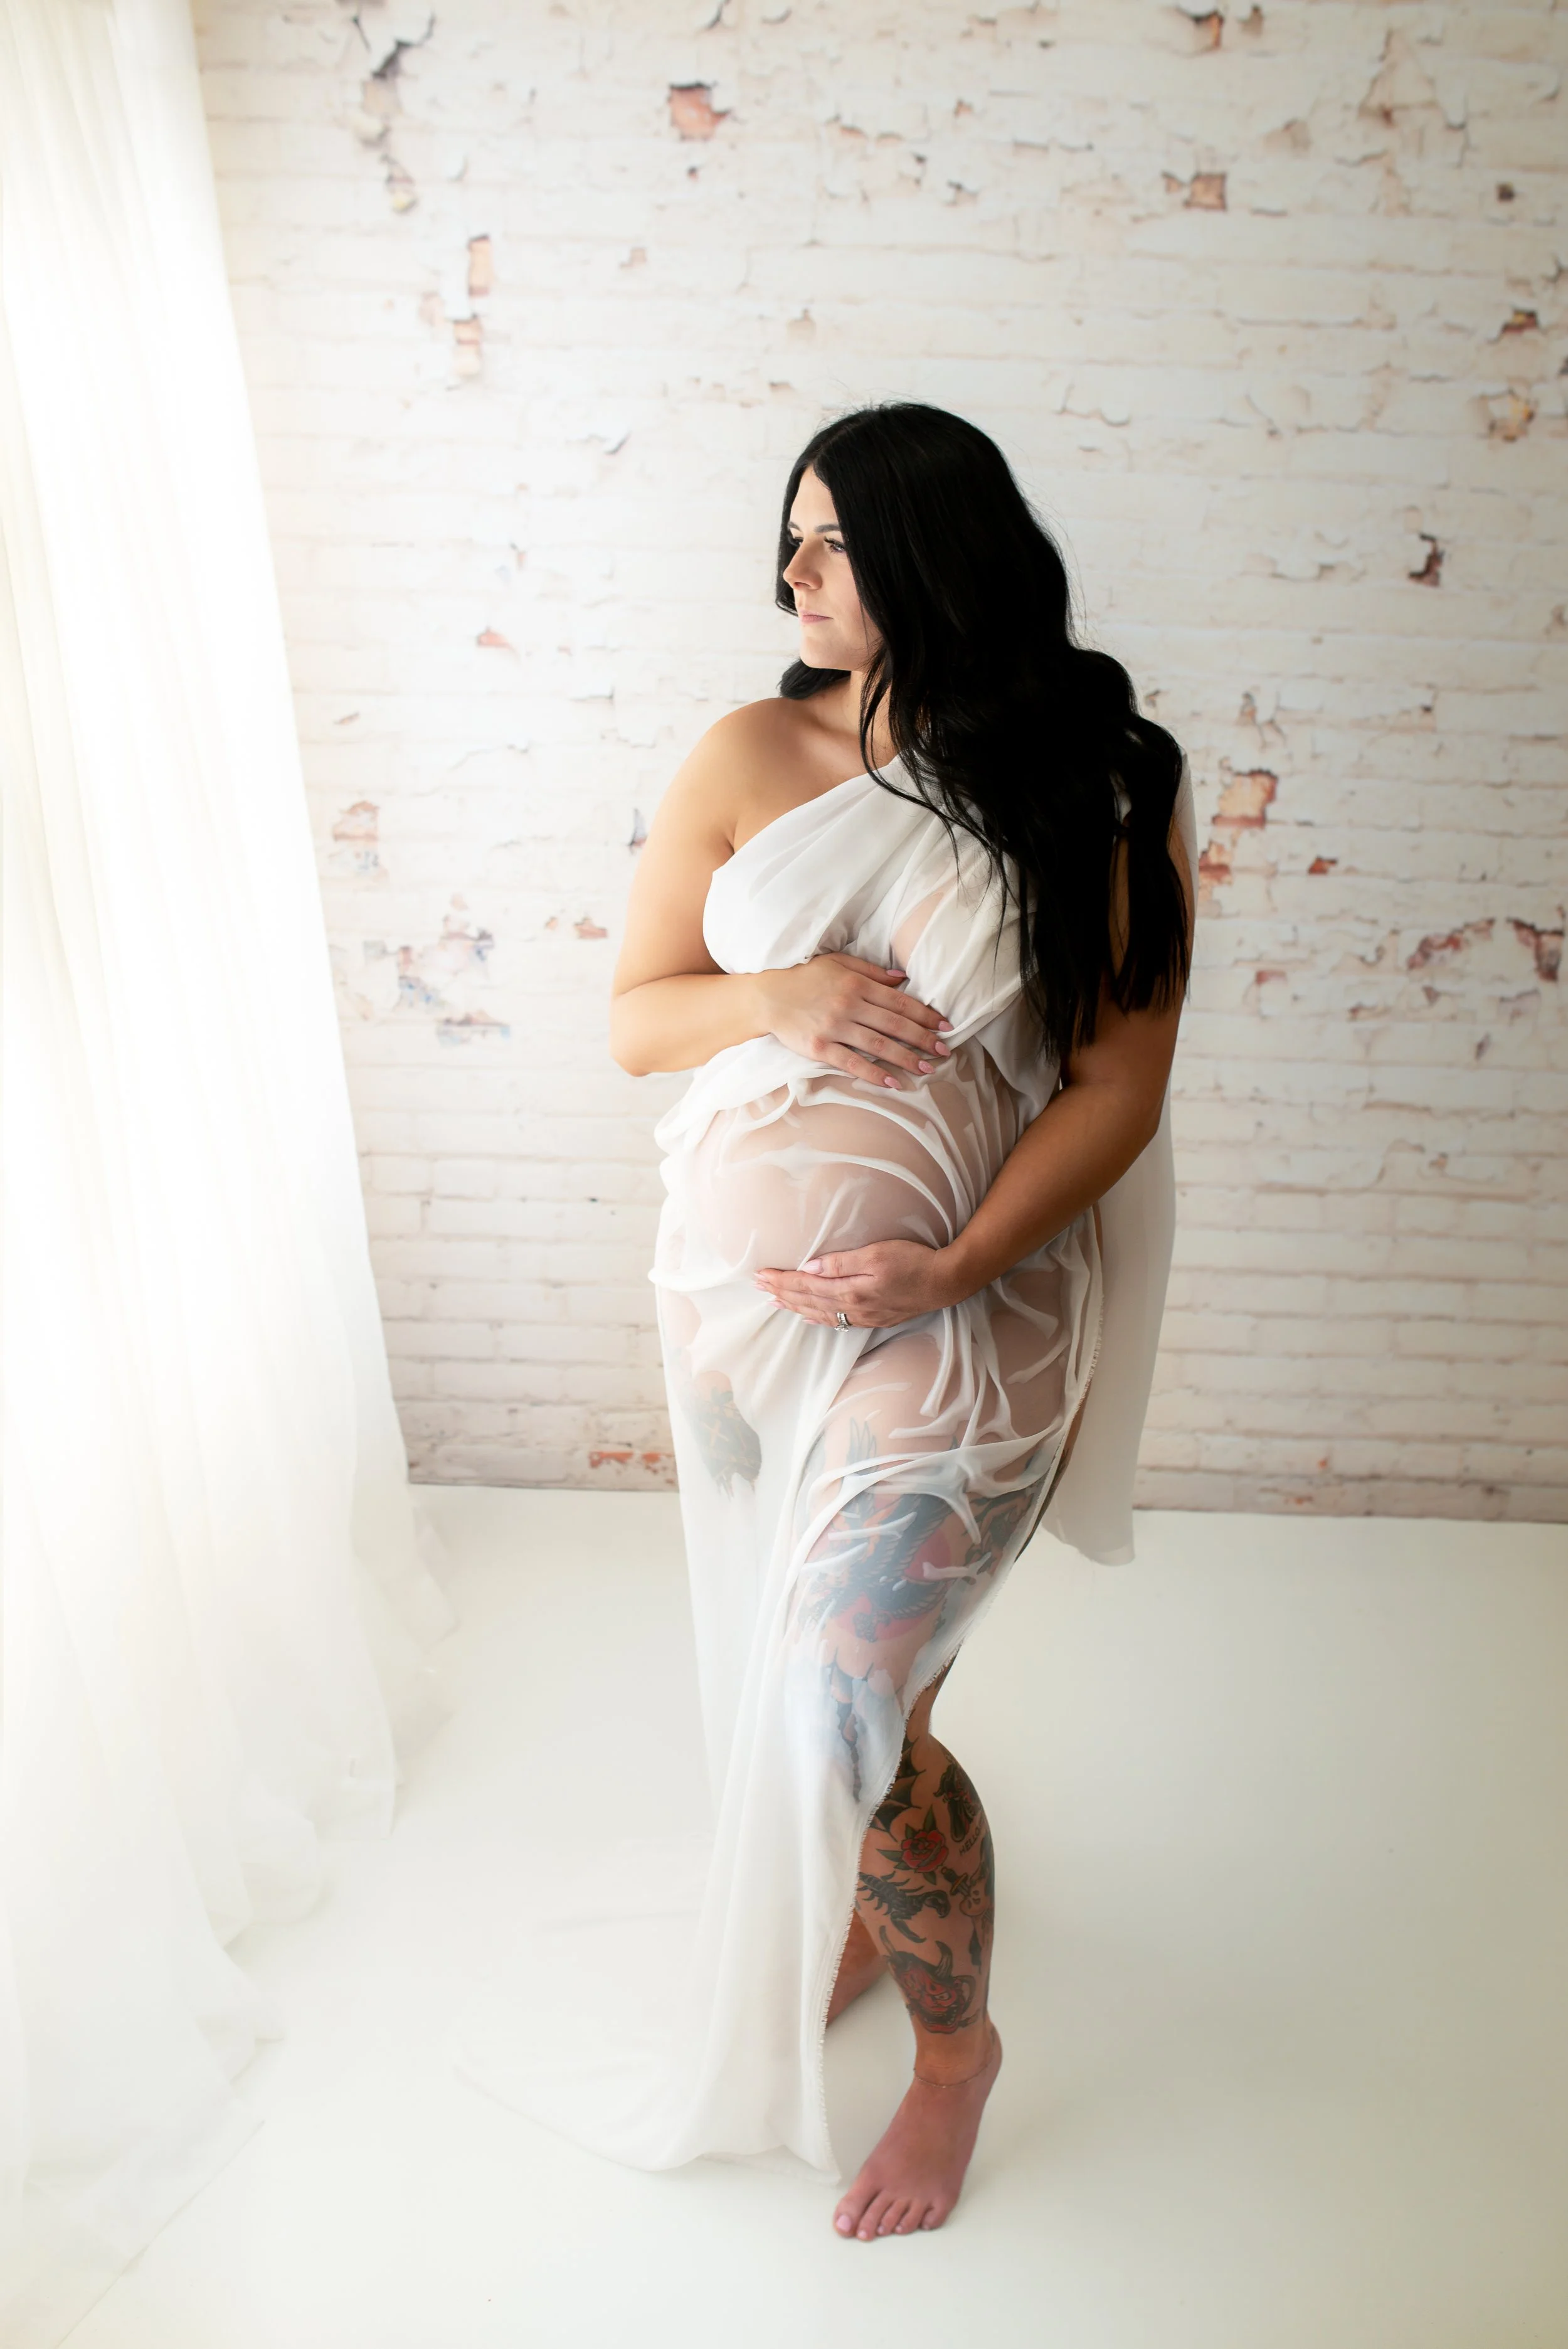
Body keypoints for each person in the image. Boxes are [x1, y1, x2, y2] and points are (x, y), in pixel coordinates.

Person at [467, 401, 1195, 2240]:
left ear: (931, 554)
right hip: (746, 1324)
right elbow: (639, 1015)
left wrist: (946, 1265)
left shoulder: (1090, 778)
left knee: (840, 1697)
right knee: (853, 1711)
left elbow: (1114, 1087)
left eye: (829, 543)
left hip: (976, 1307)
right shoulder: (746, 750)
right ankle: (887, 1908)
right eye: (784, 540)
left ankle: (960, 2067)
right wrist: (777, 993)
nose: (788, 576)